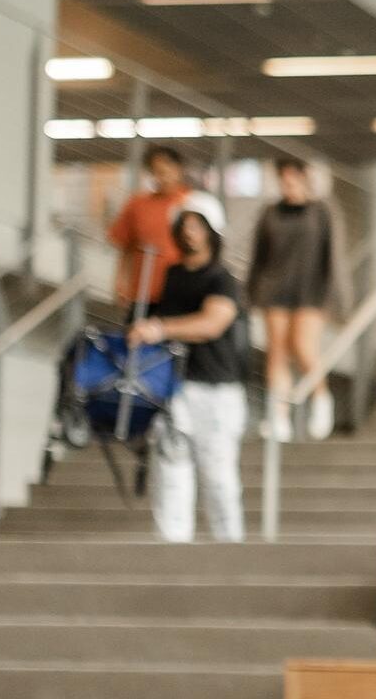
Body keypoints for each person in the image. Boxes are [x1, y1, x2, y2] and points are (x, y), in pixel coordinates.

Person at [127, 209, 251, 542]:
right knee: (171, 472)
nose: (190, 234)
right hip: (174, 387)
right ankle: (172, 548)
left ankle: (229, 548)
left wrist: (162, 328)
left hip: (216, 390)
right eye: (184, 227)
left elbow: (212, 323)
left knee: (218, 476)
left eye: (197, 226)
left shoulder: (222, 278)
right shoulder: (172, 275)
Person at [247, 155, 347, 441]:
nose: (288, 185)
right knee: (276, 351)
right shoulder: (271, 212)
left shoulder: (321, 211)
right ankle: (278, 416)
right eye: (284, 180)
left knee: (303, 346)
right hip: (274, 287)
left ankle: (320, 398)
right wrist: (252, 292)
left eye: (293, 179)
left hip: (310, 290)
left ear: (304, 179)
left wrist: (337, 298)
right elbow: (259, 255)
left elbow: (333, 256)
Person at [108, 144, 224, 309]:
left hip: (183, 289)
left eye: (166, 171)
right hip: (145, 291)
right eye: (156, 172)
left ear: (179, 169)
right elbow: (126, 247)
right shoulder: (138, 205)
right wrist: (121, 283)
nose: (162, 178)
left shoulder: (195, 203)